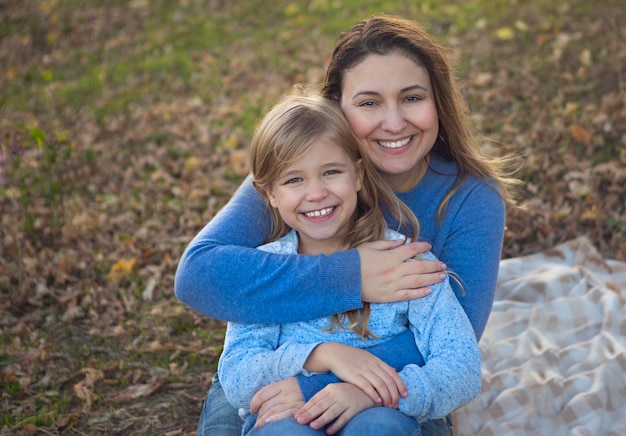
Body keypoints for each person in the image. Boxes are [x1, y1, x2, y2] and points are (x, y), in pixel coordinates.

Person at [175, 14, 518, 436]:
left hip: (397, 384)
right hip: (276, 375)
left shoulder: (471, 198)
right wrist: (353, 277)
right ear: (337, 107)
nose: (393, 123)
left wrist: (320, 385)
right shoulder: (295, 175)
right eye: (369, 102)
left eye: (412, 98)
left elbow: (454, 345)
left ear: (438, 103)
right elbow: (198, 276)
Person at [217, 90, 482, 435]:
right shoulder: (266, 270)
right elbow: (237, 378)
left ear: (357, 175)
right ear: (269, 193)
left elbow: (462, 365)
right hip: (289, 421)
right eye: (294, 179)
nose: (316, 193)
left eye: (331, 172)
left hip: (383, 414)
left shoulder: (405, 262)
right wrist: (322, 354)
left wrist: (371, 395)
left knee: (378, 428)